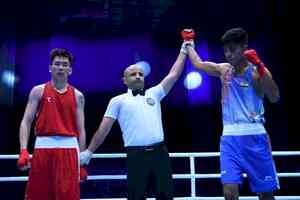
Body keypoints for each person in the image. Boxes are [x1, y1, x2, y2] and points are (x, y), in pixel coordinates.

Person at [80, 40, 190, 199]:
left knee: (166, 195)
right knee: (136, 196)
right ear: (124, 80)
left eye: (140, 74)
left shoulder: (154, 94)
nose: (138, 76)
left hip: (160, 152)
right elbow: (103, 129)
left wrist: (183, 50)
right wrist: (89, 151)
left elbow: (174, 75)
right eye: (133, 74)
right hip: (135, 155)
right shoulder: (118, 101)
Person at [182, 28, 280, 200]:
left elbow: (274, 97)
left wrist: (261, 67)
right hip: (229, 137)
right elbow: (199, 64)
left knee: (265, 194)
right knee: (229, 191)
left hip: (255, 135)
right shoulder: (223, 70)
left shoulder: (257, 72)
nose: (228, 54)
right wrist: (189, 43)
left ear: (244, 47)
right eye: (226, 50)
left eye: (232, 49)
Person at [17, 48, 87, 200]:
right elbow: (26, 121)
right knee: (38, 195)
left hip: (69, 149)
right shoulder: (38, 91)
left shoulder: (78, 96)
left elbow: (81, 129)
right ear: (50, 68)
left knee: (67, 196)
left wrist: (81, 161)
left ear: (70, 70)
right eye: (57, 64)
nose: (61, 67)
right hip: (42, 147)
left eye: (64, 64)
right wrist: (23, 149)